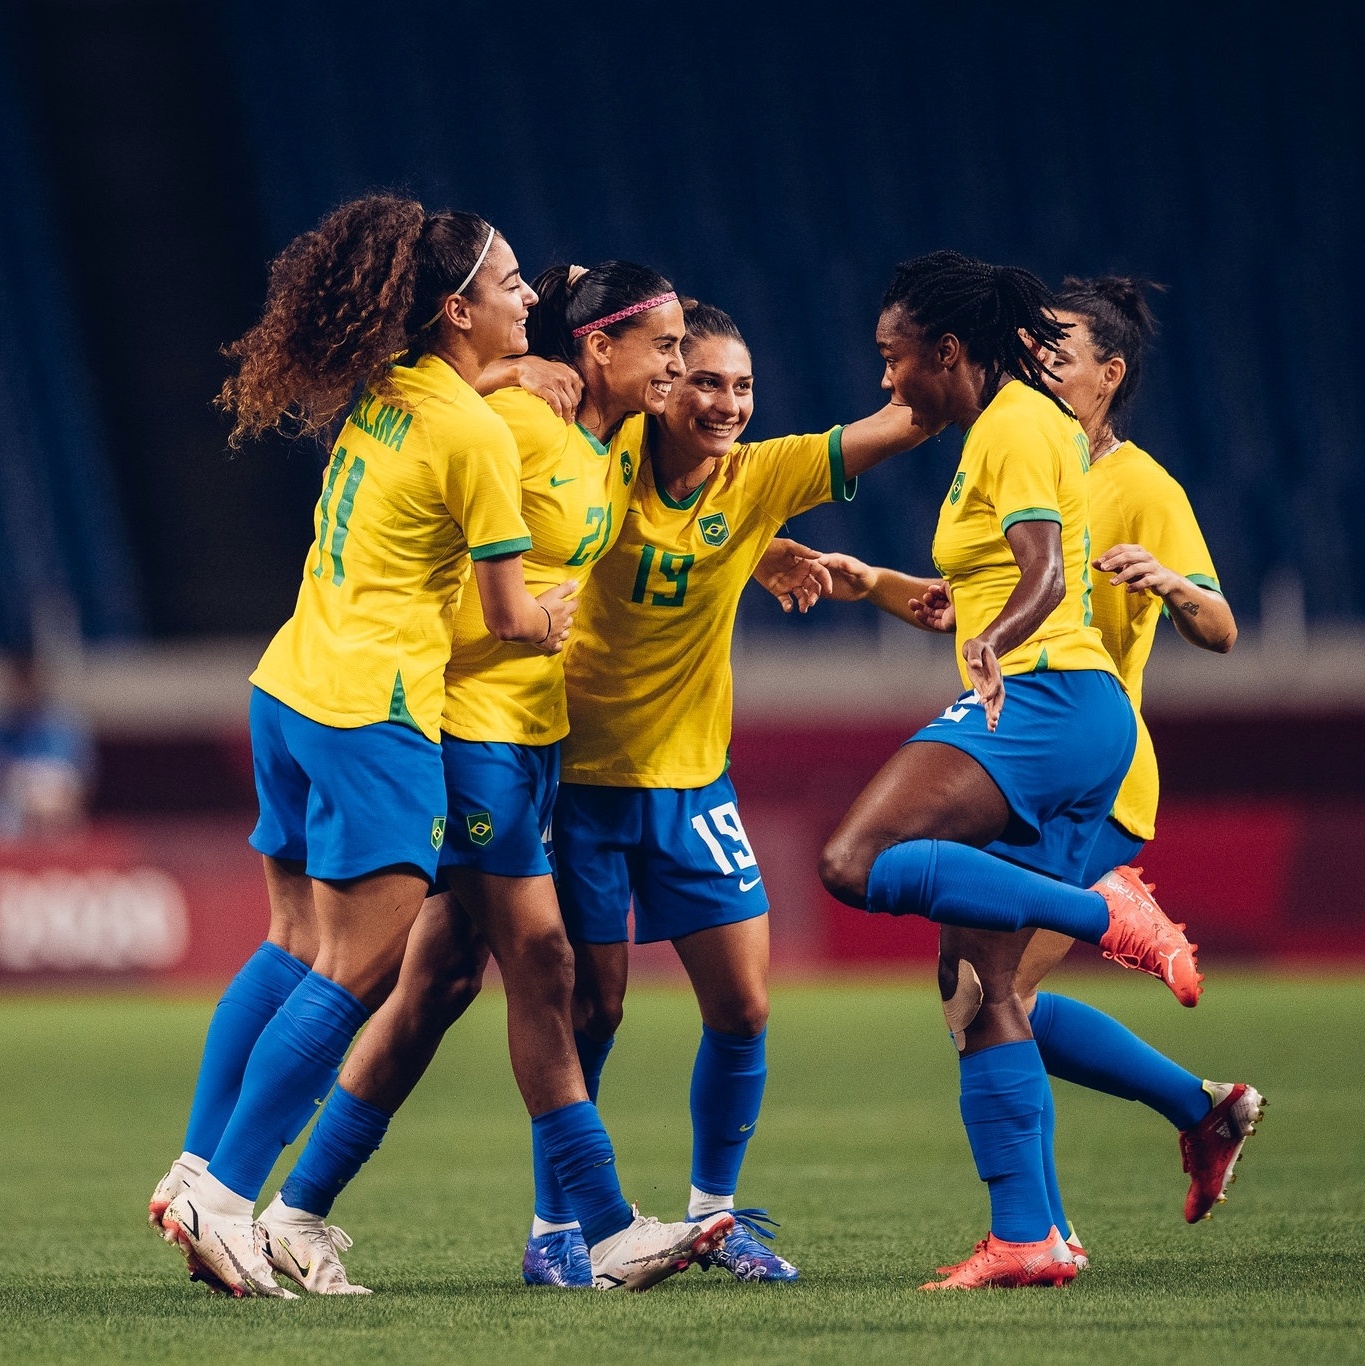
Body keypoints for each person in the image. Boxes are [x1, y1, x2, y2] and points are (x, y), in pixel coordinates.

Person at [247, 263, 736, 1294]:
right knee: (543, 957)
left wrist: (780, 555)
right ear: (599, 348)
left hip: (535, 736)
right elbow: (437, 428)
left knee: (436, 984)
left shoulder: (614, 439)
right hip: (468, 724)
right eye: (665, 345)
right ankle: (603, 1225)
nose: (682, 364)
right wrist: (506, 374)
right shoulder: (514, 426)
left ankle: (296, 1207)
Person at [769, 283, 1263, 1254]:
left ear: (1109, 375)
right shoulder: (1018, 443)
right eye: (1036, 349)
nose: (1043, 363)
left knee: (990, 995)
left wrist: (1174, 586)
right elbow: (970, 599)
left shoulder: (1138, 485)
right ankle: (1170, 1130)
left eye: (1062, 353)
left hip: (1083, 760)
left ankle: (1052, 1220)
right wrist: (869, 582)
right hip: (1029, 738)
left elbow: (1221, 626)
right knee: (984, 993)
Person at [148, 194, 579, 1298]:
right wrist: (561, 615)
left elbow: (448, 407)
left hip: (289, 683)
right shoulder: (479, 440)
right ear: (455, 308)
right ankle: (226, 1199)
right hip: (374, 709)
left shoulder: (389, 390)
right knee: (360, 965)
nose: (529, 296)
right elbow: (504, 618)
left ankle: (195, 1166)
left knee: (294, 941)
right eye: (511, 282)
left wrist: (500, 374)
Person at [521, 300, 945, 1286]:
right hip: (578, 782)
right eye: (703, 379)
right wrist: (518, 372)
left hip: (692, 784)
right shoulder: (602, 454)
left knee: (746, 1006)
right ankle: (556, 1229)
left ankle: (714, 1217)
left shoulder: (762, 476)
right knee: (595, 1012)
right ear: (662, 386)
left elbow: (906, 424)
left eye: (742, 385)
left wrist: (960, 351)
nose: (725, 401)